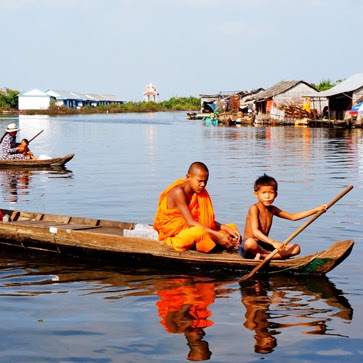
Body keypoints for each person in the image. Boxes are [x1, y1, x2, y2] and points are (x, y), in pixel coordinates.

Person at [154, 161, 241, 253]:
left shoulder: (199, 193)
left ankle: (218, 242)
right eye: (199, 181)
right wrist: (218, 235)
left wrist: (226, 228)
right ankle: (218, 242)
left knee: (232, 227)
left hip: (194, 228)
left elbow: (203, 220)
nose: (203, 185)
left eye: (205, 181)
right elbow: (191, 222)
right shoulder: (178, 192)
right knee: (199, 233)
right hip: (176, 235)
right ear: (188, 177)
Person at [238, 173, 327, 260]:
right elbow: (255, 231)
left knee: (296, 248)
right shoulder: (254, 208)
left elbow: (293, 217)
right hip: (250, 247)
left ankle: (264, 256)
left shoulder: (273, 209)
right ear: (256, 194)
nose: (267, 196)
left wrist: (315, 210)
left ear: (276, 195)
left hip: (264, 245)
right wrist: (273, 242)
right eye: (263, 193)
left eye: (271, 193)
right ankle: (268, 255)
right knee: (250, 242)